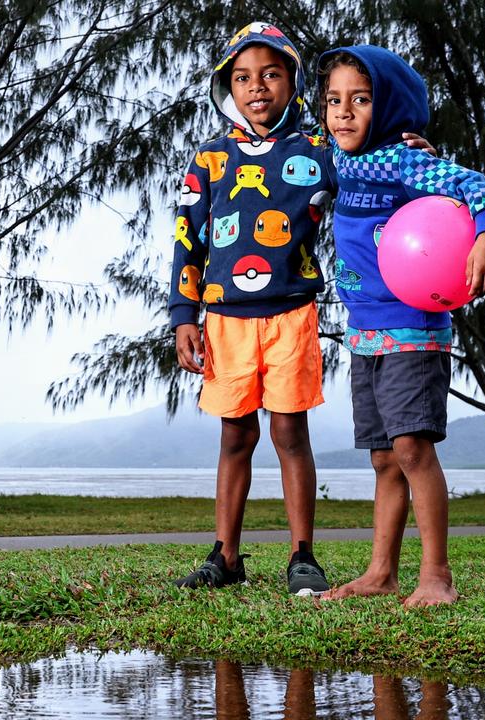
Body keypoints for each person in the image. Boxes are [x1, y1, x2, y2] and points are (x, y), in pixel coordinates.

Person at [316, 46, 485, 607]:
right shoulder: (338, 159)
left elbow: (477, 187)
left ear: (392, 107)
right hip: (364, 332)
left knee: (412, 449)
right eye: (334, 101)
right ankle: (381, 572)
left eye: (360, 99)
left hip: (413, 326)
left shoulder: (402, 162)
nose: (344, 113)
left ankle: (437, 574)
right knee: (383, 456)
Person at [167, 22, 334, 596]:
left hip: (292, 313)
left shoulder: (317, 149)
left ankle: (302, 556)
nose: (256, 87)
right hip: (225, 319)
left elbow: (369, 173)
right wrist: (182, 317)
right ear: (227, 89)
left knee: (290, 432)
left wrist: (405, 148)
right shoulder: (209, 158)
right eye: (242, 78)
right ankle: (227, 556)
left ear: (292, 81)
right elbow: (187, 238)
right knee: (235, 437)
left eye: (270, 74)